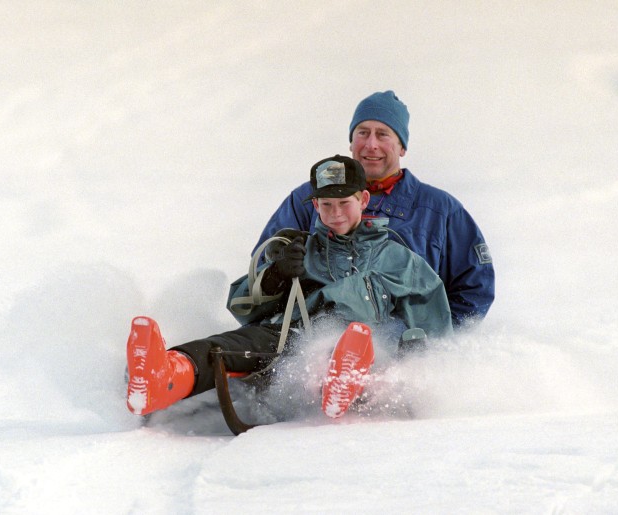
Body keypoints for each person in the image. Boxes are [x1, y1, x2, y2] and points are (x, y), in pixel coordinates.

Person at [126, 155, 453, 418]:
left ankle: (342, 380)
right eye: (326, 204)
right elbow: (242, 306)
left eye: (344, 203)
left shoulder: (400, 261)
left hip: (364, 345)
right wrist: (277, 275)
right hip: (288, 337)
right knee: (232, 345)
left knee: (346, 343)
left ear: (364, 199)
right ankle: (164, 375)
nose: (335, 213)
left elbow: (434, 326)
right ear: (315, 206)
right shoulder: (297, 248)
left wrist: (415, 357)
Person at [254, 91, 494, 327]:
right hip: (311, 343)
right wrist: (278, 271)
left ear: (402, 147)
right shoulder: (306, 199)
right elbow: (259, 270)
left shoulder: (441, 211)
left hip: (402, 354)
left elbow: (475, 287)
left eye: (383, 134)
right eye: (363, 133)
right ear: (351, 142)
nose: (371, 145)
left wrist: (431, 348)